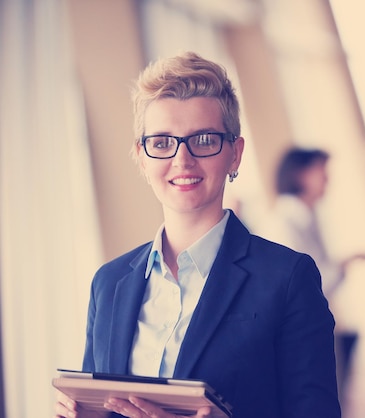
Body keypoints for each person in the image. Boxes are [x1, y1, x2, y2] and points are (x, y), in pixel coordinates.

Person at [54, 52, 341, 418]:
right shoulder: (109, 283)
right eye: (162, 143)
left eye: (203, 140)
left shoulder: (287, 278)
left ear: (234, 155)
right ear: (142, 157)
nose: (182, 159)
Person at [257, 147, 365, 404]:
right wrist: (344, 265)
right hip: (298, 337)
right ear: (300, 175)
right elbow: (307, 284)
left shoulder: (306, 218)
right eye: (322, 172)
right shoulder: (282, 224)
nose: (327, 179)